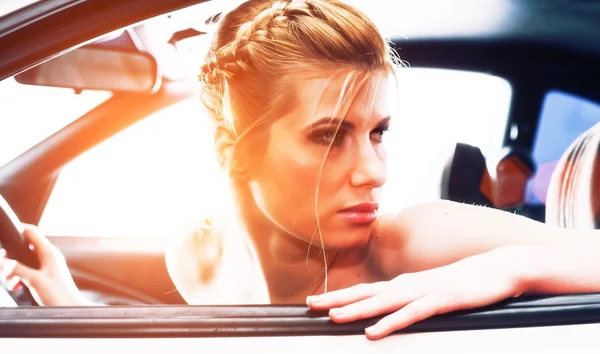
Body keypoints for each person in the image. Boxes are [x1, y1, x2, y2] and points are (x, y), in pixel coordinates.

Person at [3, 0, 600, 341]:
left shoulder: (407, 241)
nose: (373, 172)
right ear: (231, 148)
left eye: (378, 133)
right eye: (328, 136)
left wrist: (513, 267)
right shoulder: (193, 252)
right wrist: (62, 300)